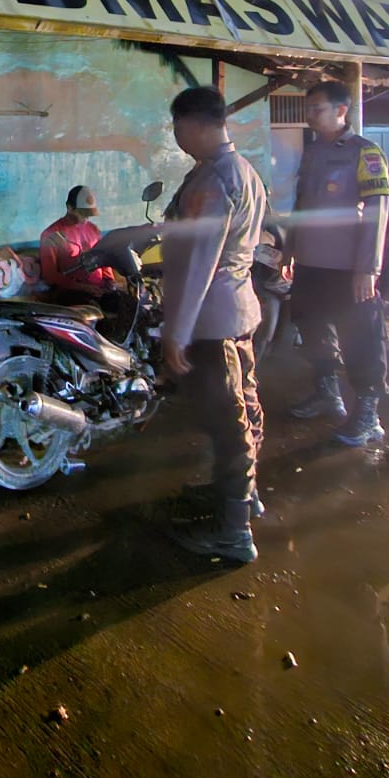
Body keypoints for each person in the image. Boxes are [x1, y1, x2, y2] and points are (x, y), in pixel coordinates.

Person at [159, 85, 269, 563]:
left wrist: (177, 331)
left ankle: (233, 531)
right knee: (244, 409)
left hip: (212, 319)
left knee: (228, 423)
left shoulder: (213, 180)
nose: (176, 135)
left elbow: (199, 262)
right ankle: (244, 496)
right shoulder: (242, 170)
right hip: (237, 311)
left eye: (176, 126)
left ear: (193, 123)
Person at [285, 79, 389, 447]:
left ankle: (368, 415)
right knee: (312, 328)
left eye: (316, 108)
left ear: (341, 110)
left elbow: (378, 213)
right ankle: (327, 393)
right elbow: (301, 206)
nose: (310, 115)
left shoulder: (365, 153)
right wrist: (290, 250)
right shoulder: (312, 152)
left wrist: (368, 268)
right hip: (310, 263)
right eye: (308, 108)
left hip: (349, 268)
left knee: (360, 338)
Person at [39, 185, 120, 307]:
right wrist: (84, 288)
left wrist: (110, 281)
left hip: (99, 289)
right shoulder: (51, 234)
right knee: (92, 308)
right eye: (82, 213)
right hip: (71, 292)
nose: (86, 218)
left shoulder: (93, 230)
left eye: (89, 214)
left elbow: (103, 259)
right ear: (69, 208)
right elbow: (50, 275)